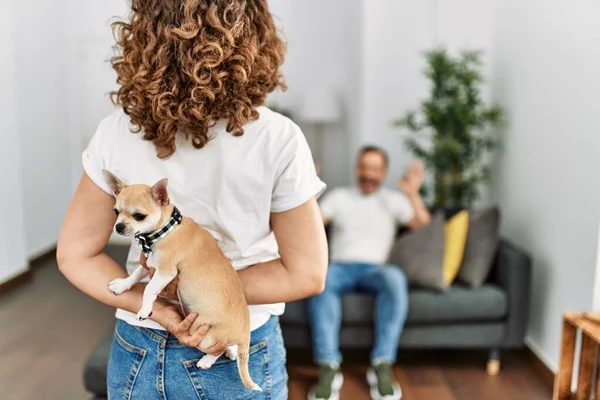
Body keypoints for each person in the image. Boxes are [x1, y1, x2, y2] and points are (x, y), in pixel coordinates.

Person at [56, 1, 328, 399]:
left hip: (138, 349)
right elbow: (306, 273)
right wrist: (203, 298)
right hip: (235, 346)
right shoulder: (278, 138)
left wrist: (165, 304)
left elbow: (74, 256)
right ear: (253, 37)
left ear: (145, 36)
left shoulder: (115, 133)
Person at [308, 146, 432, 400]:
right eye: (364, 167)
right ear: (357, 169)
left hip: (378, 270)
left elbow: (424, 227)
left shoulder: (394, 200)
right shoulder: (339, 197)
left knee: (395, 278)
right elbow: (308, 225)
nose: (368, 174)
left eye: (375, 168)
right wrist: (306, 191)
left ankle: (381, 364)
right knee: (322, 278)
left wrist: (413, 195)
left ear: (383, 172)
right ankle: (328, 366)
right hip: (340, 268)